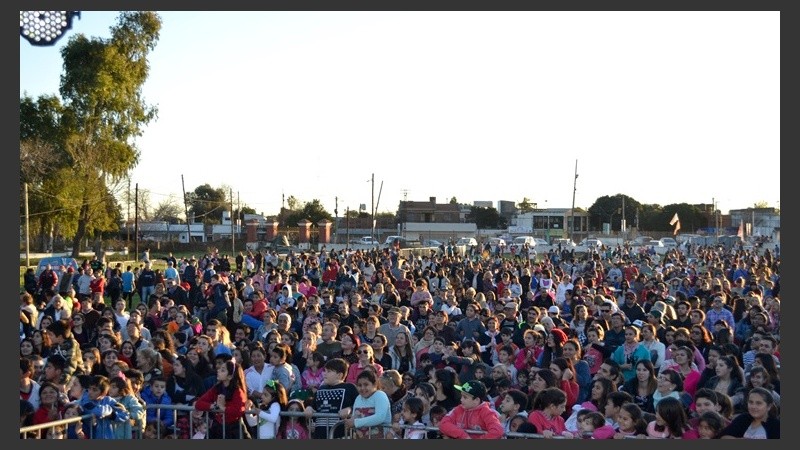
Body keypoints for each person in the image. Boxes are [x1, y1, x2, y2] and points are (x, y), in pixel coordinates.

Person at [303, 357, 358, 439]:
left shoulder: (350, 388)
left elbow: (360, 406)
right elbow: (313, 406)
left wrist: (349, 409)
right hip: (320, 435)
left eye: (329, 371)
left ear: (340, 375)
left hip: (341, 435)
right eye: (324, 371)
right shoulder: (321, 389)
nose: (324, 374)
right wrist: (309, 408)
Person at [194, 359, 248, 439]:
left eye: (222, 370)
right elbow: (198, 404)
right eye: (219, 369)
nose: (218, 371)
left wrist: (223, 408)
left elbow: (239, 410)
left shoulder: (238, 391)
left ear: (230, 376)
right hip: (218, 428)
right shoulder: (216, 388)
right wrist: (213, 406)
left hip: (234, 429)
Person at [439, 380, 504, 439]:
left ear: (476, 400)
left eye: (465, 397)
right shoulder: (459, 409)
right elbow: (443, 424)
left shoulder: (487, 412)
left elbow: (497, 431)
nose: (461, 399)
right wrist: (463, 436)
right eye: (461, 396)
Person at [342, 369, 393, 439]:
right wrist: (349, 423)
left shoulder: (380, 395)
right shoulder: (358, 398)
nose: (362, 388)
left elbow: (380, 417)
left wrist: (355, 423)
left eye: (366, 384)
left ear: (374, 385)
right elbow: (355, 417)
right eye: (359, 385)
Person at [78, 375, 132, 439]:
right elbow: (98, 411)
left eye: (94, 390)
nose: (90, 392)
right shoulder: (85, 400)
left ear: (104, 393)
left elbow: (125, 414)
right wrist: (110, 410)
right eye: (89, 388)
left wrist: (112, 415)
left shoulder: (109, 400)